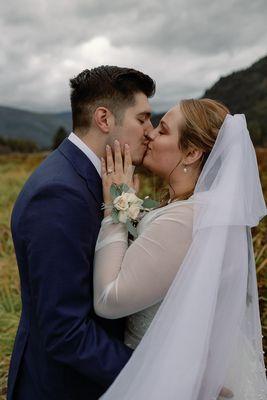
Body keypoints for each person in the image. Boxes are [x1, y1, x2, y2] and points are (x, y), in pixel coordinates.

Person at [93, 99, 267, 399]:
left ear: (191, 152)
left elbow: (108, 300)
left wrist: (115, 208)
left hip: (164, 379)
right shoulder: (189, 209)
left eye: (162, 130)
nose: (149, 135)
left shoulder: (187, 219)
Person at [7, 66, 155, 400]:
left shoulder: (100, 180)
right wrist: (152, 373)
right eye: (143, 118)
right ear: (104, 119)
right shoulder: (59, 194)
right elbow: (66, 331)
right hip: (63, 388)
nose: (151, 131)